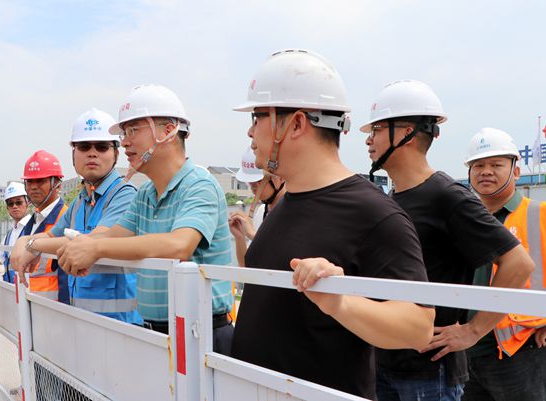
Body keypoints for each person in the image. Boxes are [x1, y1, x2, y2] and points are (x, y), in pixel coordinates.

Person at [229, 49, 435, 399]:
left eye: (258, 116)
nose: (250, 131)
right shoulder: (285, 204)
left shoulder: (373, 213)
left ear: (296, 124)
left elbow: (418, 327)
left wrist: (340, 302)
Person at [361, 80, 534, 401]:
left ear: (406, 133)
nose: (369, 140)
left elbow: (519, 264)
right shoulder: (393, 197)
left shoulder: (447, 196)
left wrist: (473, 330)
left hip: (430, 372)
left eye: (378, 129)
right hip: (386, 362)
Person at [55, 84, 235, 355]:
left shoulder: (199, 185)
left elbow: (179, 245)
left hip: (202, 336)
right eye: (124, 133)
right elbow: (108, 236)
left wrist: (94, 248)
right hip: (155, 333)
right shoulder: (146, 194)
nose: (125, 142)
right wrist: (41, 245)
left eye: (133, 131)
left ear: (168, 130)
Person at [10, 109, 140, 324]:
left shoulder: (124, 195)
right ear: (73, 154)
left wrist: (32, 245)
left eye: (101, 147)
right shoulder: (81, 201)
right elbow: (51, 236)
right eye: (84, 147)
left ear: (116, 154)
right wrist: (23, 240)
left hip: (120, 326)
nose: (92, 153)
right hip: (81, 320)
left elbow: (93, 241)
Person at [458, 127, 546, 401]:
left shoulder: (539, 214)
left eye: (496, 165)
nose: (486, 172)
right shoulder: (461, 220)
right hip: (465, 350)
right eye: (478, 165)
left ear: (516, 171)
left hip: (523, 348)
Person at [16, 150, 68, 302]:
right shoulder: (33, 219)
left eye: (40, 181)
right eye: (29, 182)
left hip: (53, 306)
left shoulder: (65, 217)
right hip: (29, 303)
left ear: (57, 185)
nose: (33, 187)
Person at [228, 146, 285, 266]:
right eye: (250, 183)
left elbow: (285, 258)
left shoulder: (295, 212)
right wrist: (240, 237)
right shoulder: (262, 212)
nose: (253, 188)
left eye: (258, 182)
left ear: (279, 178)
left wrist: (253, 235)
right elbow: (246, 267)